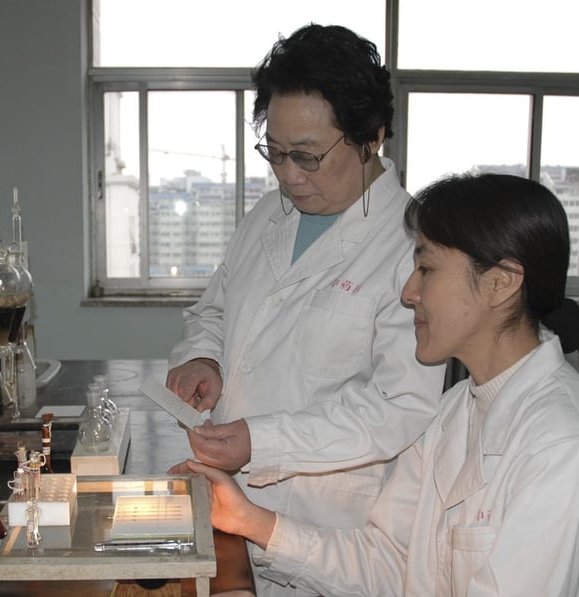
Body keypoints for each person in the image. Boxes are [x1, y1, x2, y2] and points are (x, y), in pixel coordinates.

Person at [182, 173, 579, 596]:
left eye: (426, 269)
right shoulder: (454, 413)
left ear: (500, 283)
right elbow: (389, 563)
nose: (408, 292)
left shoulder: (562, 447)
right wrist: (249, 520)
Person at [165, 23, 445, 594]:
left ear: (373, 137)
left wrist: (262, 442)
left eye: (309, 157)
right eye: (276, 152)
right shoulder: (269, 215)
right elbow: (213, 310)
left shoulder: (411, 246)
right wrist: (204, 360)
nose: (288, 176)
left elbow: (399, 406)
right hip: (232, 511)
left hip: (329, 535)